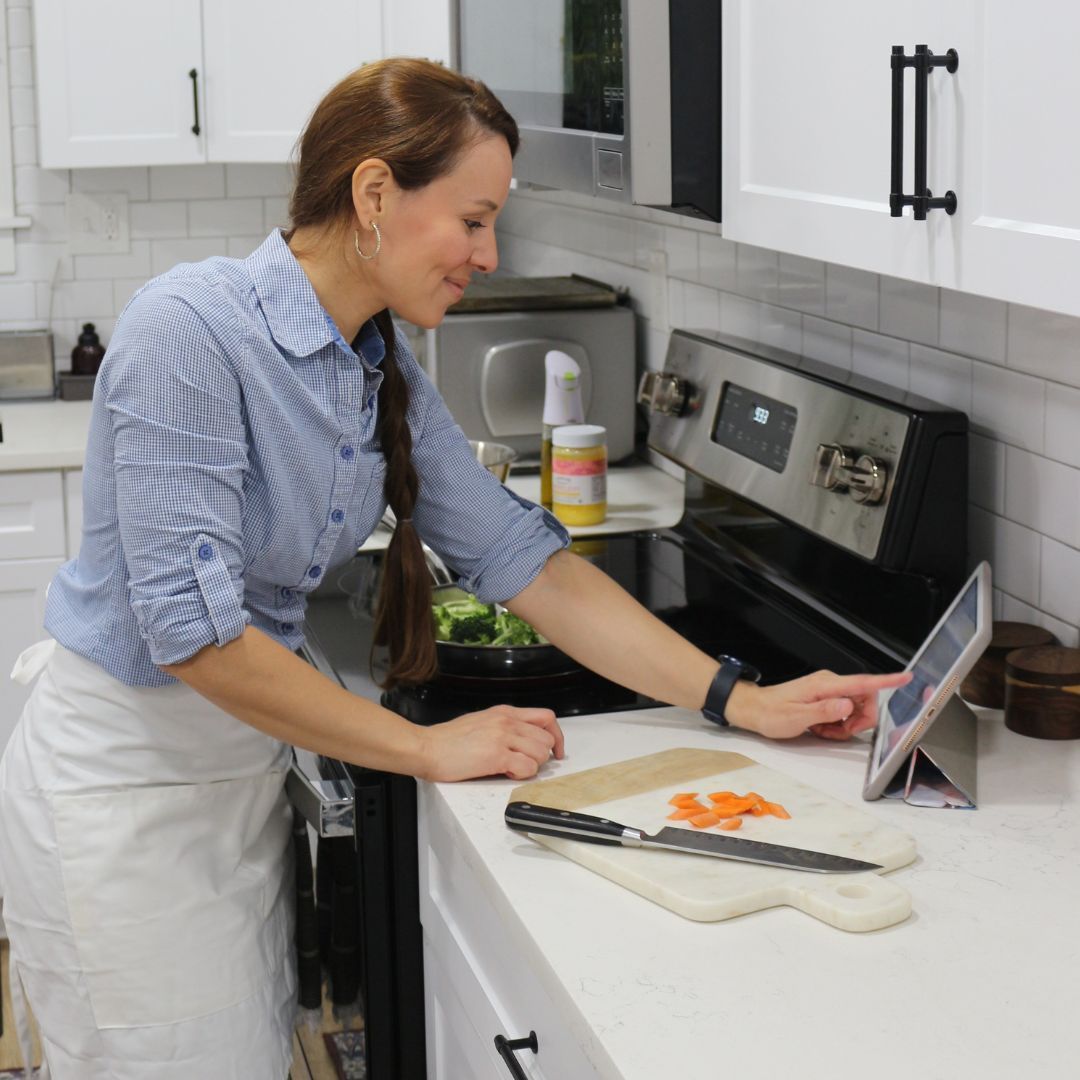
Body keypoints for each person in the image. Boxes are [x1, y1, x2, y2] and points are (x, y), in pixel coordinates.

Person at [0, 58, 909, 1078]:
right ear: (376, 194)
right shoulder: (193, 335)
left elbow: (530, 565)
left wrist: (742, 701)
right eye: (473, 220)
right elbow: (198, 640)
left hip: (233, 783)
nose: (487, 254)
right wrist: (422, 748)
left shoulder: (375, 364)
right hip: (124, 796)